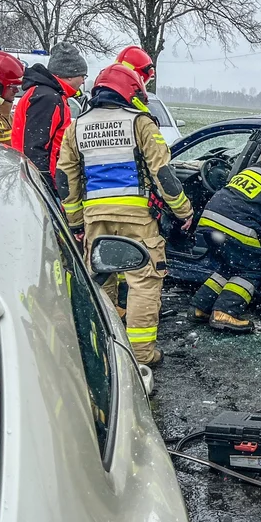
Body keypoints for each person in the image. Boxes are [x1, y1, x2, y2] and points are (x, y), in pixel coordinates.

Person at [56, 64, 193, 365]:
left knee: (102, 277)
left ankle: (107, 350)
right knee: (144, 280)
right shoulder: (140, 123)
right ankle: (141, 356)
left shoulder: (76, 126)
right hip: (136, 218)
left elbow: (66, 180)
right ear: (131, 92)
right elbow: (164, 175)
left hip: (95, 217)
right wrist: (184, 211)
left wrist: (76, 222)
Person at [190, 137, 261, 332]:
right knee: (251, 270)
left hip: (208, 221)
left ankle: (200, 307)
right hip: (234, 227)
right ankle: (226, 312)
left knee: (229, 267)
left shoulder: (250, 171)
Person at [11, 42, 88, 192]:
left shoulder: (48, 94)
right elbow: (35, 148)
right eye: (82, 76)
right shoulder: (48, 98)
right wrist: (46, 187)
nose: (84, 81)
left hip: (35, 177)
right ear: (70, 75)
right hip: (40, 182)